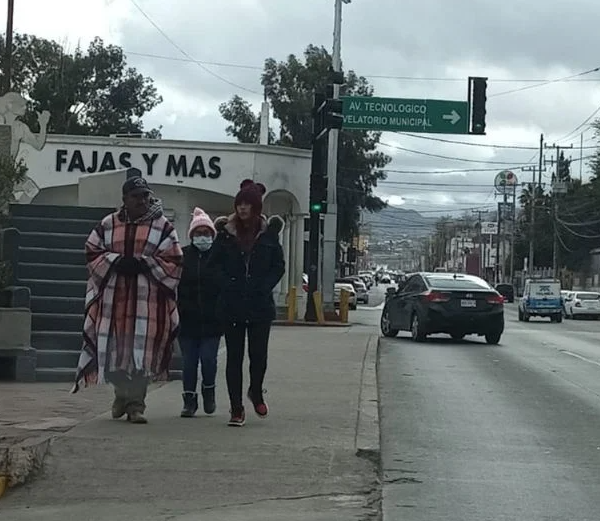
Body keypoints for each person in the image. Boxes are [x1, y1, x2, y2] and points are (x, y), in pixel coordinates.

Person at [72, 176, 183, 425]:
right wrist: (116, 261)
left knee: (142, 354)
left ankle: (136, 406)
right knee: (114, 351)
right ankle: (122, 394)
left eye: (145, 195)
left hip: (148, 303)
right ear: (124, 199)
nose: (142, 200)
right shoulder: (108, 224)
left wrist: (145, 263)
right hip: (114, 300)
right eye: (136, 196)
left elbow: (175, 260)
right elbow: (91, 250)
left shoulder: (162, 226)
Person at [210, 179, 285, 427]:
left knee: (258, 356)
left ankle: (256, 391)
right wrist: (228, 283)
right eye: (239, 204)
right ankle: (236, 408)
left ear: (256, 207)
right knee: (234, 358)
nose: (243, 208)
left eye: (248, 204)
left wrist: (264, 285)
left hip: (260, 306)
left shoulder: (269, 235)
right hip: (231, 305)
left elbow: (278, 267)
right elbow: (214, 266)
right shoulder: (224, 235)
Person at [178, 207, 222, 418]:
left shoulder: (219, 256)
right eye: (198, 233)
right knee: (188, 363)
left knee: (208, 360)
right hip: (187, 321)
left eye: (206, 233)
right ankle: (188, 400)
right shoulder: (183, 256)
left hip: (212, 321)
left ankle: (209, 391)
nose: (202, 237)